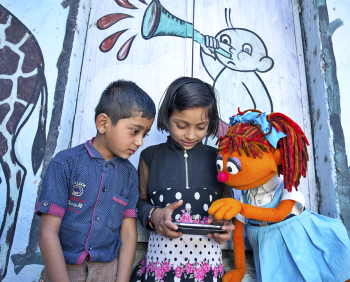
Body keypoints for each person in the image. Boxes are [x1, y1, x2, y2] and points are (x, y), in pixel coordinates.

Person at [36, 80, 156, 282]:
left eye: (145, 134)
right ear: (103, 123)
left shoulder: (129, 175)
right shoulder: (65, 164)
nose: (140, 141)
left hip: (107, 272)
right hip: (62, 271)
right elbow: (47, 233)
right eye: (135, 131)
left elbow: (128, 234)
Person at [131, 77, 235, 282]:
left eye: (201, 127)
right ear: (167, 116)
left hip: (208, 268)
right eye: (181, 125)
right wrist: (154, 215)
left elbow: (227, 206)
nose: (190, 135)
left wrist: (225, 226)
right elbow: (140, 202)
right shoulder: (150, 156)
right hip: (161, 265)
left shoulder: (219, 159)